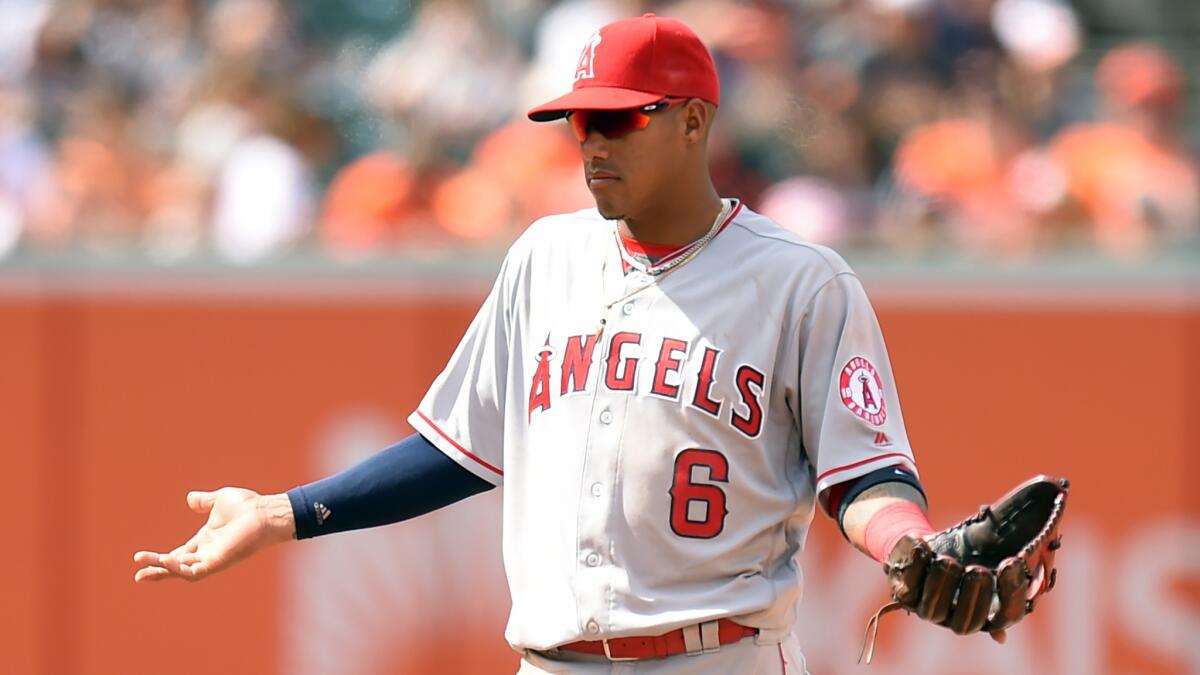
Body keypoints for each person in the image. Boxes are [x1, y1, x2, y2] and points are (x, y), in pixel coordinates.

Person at [134, 15, 952, 674]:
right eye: (578, 121)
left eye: (617, 118)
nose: (591, 141)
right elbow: (460, 448)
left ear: (696, 121)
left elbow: (866, 472)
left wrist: (906, 544)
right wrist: (282, 513)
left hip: (720, 656)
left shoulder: (801, 282)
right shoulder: (544, 257)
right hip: (551, 662)